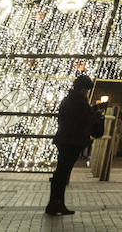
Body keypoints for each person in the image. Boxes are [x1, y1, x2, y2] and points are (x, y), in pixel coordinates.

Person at [46, 74, 103, 216]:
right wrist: (95, 116)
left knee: (62, 172)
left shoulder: (68, 99)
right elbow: (82, 119)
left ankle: (57, 202)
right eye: (86, 89)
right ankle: (56, 203)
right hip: (72, 140)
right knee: (62, 173)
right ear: (83, 88)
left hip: (65, 139)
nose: (87, 92)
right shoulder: (78, 101)